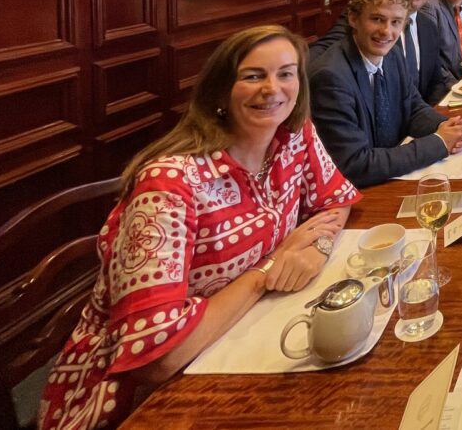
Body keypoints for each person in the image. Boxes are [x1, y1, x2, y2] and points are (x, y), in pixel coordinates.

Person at [39, 26, 359, 430]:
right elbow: (158, 358)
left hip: (242, 337)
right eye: (253, 75)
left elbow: (338, 198)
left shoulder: (293, 136)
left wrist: (318, 246)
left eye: (286, 73)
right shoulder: (169, 186)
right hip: (138, 402)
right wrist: (268, 272)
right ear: (221, 90)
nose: (273, 89)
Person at [310, 0, 462, 186]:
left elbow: (412, 108)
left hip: (393, 177)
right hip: (362, 194)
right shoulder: (331, 77)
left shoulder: (392, 54)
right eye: (377, 19)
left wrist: (447, 127)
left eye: (396, 22)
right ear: (353, 19)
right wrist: (439, 142)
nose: (386, 31)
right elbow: (356, 165)